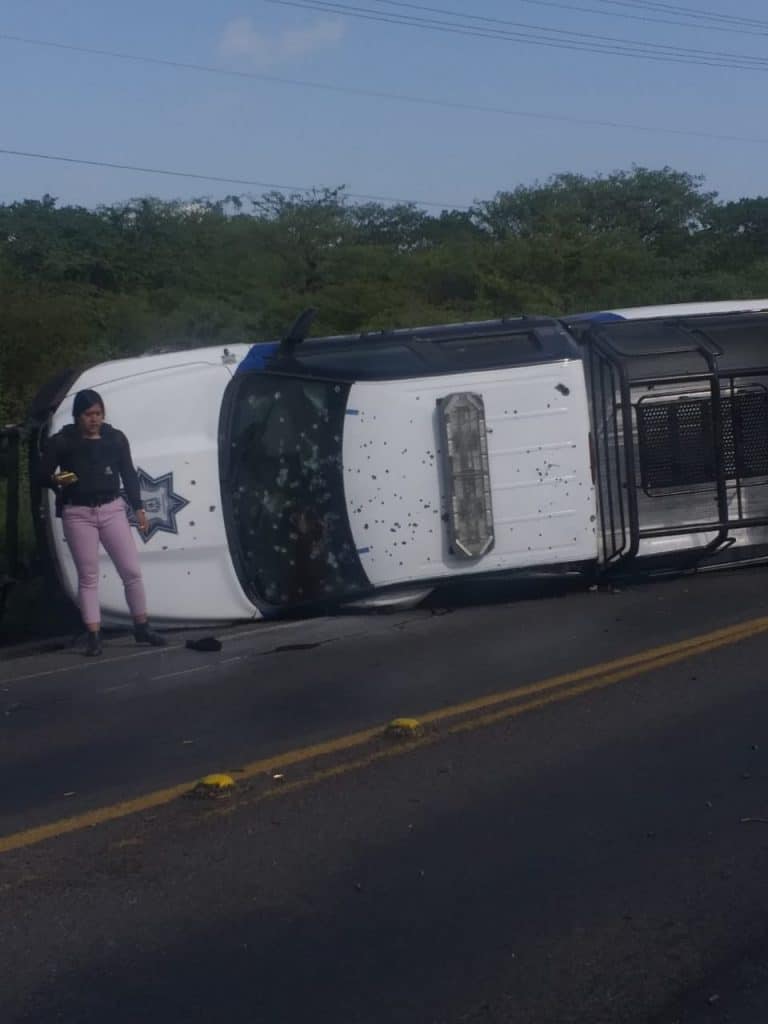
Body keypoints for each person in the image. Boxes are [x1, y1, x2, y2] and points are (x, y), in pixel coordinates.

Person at [40, 389, 167, 656]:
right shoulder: (62, 442)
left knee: (131, 570)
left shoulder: (115, 439)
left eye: (98, 414)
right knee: (88, 576)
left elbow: (129, 474)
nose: (94, 419)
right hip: (78, 513)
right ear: (78, 416)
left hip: (111, 508)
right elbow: (42, 475)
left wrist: (139, 508)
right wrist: (62, 483)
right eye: (88, 415)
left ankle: (142, 625)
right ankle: (94, 634)